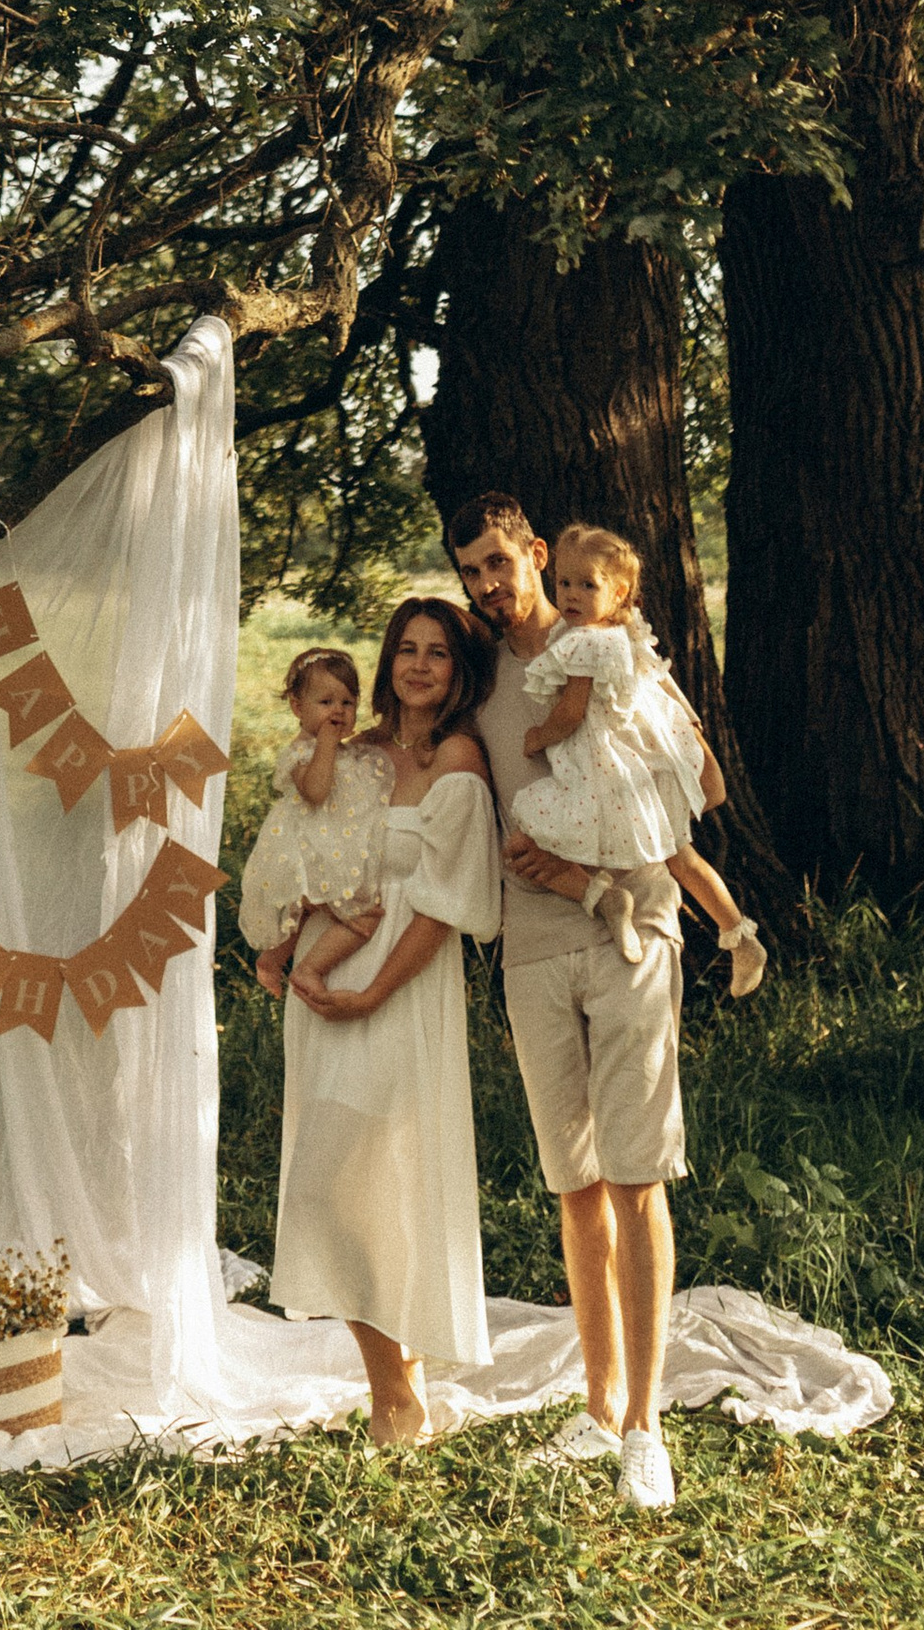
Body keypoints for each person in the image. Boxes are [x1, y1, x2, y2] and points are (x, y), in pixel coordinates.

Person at [450, 491, 700, 1515]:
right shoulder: (476, 675)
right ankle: (597, 1409)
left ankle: (646, 1426)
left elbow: (696, 781)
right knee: (576, 1185)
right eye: (470, 573)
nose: (488, 589)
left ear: (536, 554)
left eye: (498, 566)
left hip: (628, 931)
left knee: (638, 1177)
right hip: (529, 948)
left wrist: (609, 865)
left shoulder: (609, 646)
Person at [266, 594, 504, 1445]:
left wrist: (373, 993)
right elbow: (299, 843)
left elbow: (446, 906)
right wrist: (282, 945)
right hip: (326, 986)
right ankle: (393, 1382)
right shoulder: (354, 754)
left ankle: (398, 1392)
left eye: (438, 652)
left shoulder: (459, 763)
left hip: (400, 992)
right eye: (406, 648)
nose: (419, 665)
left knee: (385, 1182)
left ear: (457, 670)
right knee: (329, 1187)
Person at [511, 522, 768, 1000]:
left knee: (541, 829)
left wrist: (537, 738)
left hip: (611, 768)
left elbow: (569, 714)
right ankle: (739, 935)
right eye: (564, 582)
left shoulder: (586, 642)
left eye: (587, 585)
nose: (570, 594)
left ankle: (605, 899)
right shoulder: (622, 629)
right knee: (681, 857)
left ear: (618, 591)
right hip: (639, 765)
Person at [239, 644, 394, 999]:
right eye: (325, 703)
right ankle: (293, 966)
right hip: (305, 845)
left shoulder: (348, 752)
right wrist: (326, 742)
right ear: (298, 706)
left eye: (347, 702)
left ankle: (274, 962)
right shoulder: (302, 751)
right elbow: (316, 791)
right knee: (348, 913)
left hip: (334, 844)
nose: (337, 711)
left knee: (313, 914)